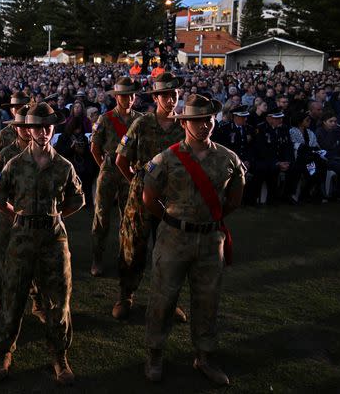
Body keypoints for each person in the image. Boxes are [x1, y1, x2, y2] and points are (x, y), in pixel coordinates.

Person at [142, 94, 245, 385]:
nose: (204, 126)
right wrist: (174, 221)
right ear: (185, 122)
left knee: (207, 300)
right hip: (173, 238)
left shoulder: (228, 158)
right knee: (163, 298)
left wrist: (208, 221)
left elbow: (234, 199)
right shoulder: (166, 158)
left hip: (211, 241)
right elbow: (149, 198)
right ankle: (154, 353)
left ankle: (204, 356)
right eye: (197, 121)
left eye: (208, 120)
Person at [0, 102, 85, 386]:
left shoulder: (63, 166)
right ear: (28, 130)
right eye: (37, 128)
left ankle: (59, 356)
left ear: (53, 129)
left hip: (53, 239)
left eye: (48, 127)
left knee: (58, 299)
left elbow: (78, 199)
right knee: (13, 296)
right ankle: (3, 352)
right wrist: (16, 214)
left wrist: (55, 216)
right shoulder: (15, 163)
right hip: (21, 237)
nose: (43, 133)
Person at [113, 72, 186, 321]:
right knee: (133, 248)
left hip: (172, 198)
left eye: (174, 94)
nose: (170, 99)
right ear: (156, 97)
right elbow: (121, 159)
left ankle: (167, 300)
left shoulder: (184, 126)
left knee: (170, 251)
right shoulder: (142, 124)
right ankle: (125, 296)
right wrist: (136, 182)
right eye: (165, 95)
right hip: (142, 194)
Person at [0, 104, 44, 323]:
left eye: (31, 126)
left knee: (36, 260)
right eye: (23, 127)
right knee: (5, 261)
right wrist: (10, 210)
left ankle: (37, 301)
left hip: (37, 217)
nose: (28, 131)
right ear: (16, 128)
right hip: (10, 218)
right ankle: (3, 302)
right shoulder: (6, 154)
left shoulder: (44, 153)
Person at [89, 77, 142, 277]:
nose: (129, 99)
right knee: (102, 217)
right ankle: (97, 258)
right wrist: (104, 166)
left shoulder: (140, 119)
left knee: (128, 217)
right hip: (110, 170)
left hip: (129, 170)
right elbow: (94, 148)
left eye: (131, 96)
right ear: (117, 97)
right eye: (125, 96)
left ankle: (125, 257)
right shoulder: (105, 119)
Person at [252, 108, 294, 205]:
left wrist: (287, 161)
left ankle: (287, 196)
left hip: (281, 160)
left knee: (294, 168)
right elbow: (261, 151)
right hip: (265, 160)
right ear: (269, 118)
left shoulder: (284, 129)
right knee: (268, 169)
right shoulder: (261, 129)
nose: (280, 120)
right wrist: (277, 162)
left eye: (281, 118)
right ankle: (263, 198)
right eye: (277, 118)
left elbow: (288, 147)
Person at [287, 111, 329, 204]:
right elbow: (296, 147)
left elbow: (316, 146)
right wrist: (310, 150)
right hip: (298, 159)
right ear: (299, 121)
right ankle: (303, 194)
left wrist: (314, 150)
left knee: (320, 166)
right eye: (307, 120)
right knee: (314, 167)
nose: (309, 121)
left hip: (310, 159)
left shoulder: (310, 132)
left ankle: (311, 192)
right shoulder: (292, 131)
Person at [0, 91, 30, 159]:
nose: (20, 110)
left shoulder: (38, 131)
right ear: (11, 110)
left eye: (23, 107)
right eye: (17, 107)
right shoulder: (4, 134)